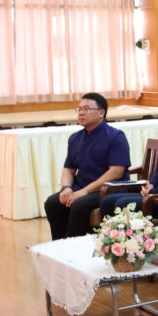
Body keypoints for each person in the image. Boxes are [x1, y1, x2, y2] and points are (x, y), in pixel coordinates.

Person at [43, 93, 131, 240]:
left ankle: (73, 245)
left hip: (108, 190)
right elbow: (69, 168)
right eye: (79, 109)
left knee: (79, 204)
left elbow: (116, 172)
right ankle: (59, 244)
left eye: (86, 109)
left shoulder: (116, 137)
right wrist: (66, 188)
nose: (81, 113)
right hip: (81, 187)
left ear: (101, 113)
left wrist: (84, 191)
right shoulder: (75, 138)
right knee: (53, 202)